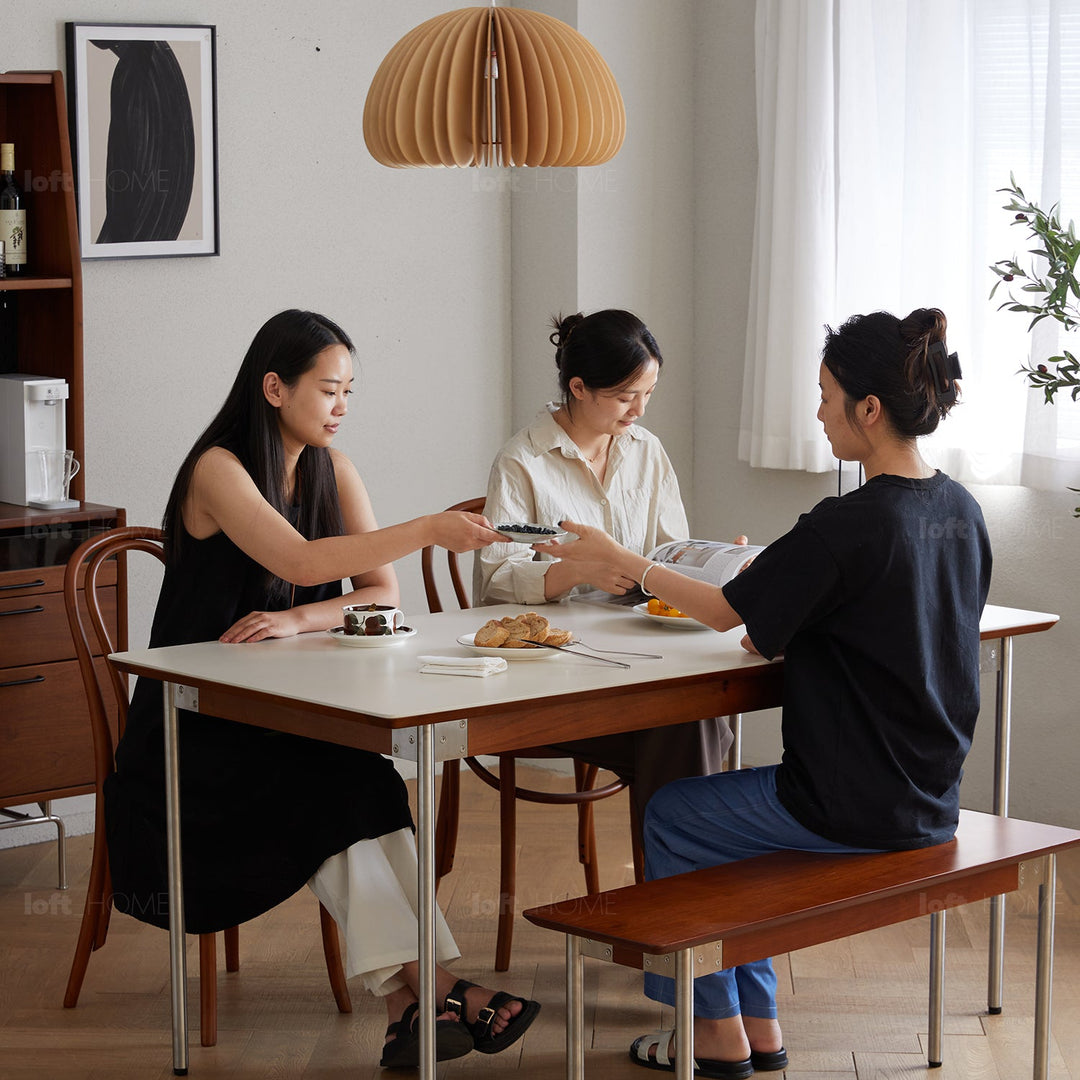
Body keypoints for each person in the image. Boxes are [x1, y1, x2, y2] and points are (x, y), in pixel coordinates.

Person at [532, 307, 992, 1078]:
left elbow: (720, 612)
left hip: (847, 804)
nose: (817, 411)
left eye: (824, 394)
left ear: (868, 409)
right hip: (930, 795)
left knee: (676, 813)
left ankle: (713, 1036)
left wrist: (622, 558)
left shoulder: (844, 525)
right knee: (722, 827)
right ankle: (759, 1025)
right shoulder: (960, 512)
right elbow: (833, 622)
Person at [104, 309, 540, 1069]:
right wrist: (428, 528)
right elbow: (302, 558)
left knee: (362, 778)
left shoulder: (333, 469)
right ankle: (443, 989)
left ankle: (414, 1003)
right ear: (274, 388)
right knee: (329, 790)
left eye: (349, 391)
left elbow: (381, 594)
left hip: (279, 722)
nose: (342, 406)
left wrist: (301, 619)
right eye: (328, 389)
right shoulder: (220, 468)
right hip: (190, 736)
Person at [476, 309, 735, 825]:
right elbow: (497, 579)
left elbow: (670, 552)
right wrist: (574, 571)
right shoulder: (522, 459)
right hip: (557, 671)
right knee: (687, 724)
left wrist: (718, 562)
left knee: (696, 712)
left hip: (643, 650)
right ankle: (682, 881)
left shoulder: (648, 451)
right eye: (624, 396)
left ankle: (674, 882)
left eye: (649, 393)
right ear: (578, 387)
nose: (639, 409)